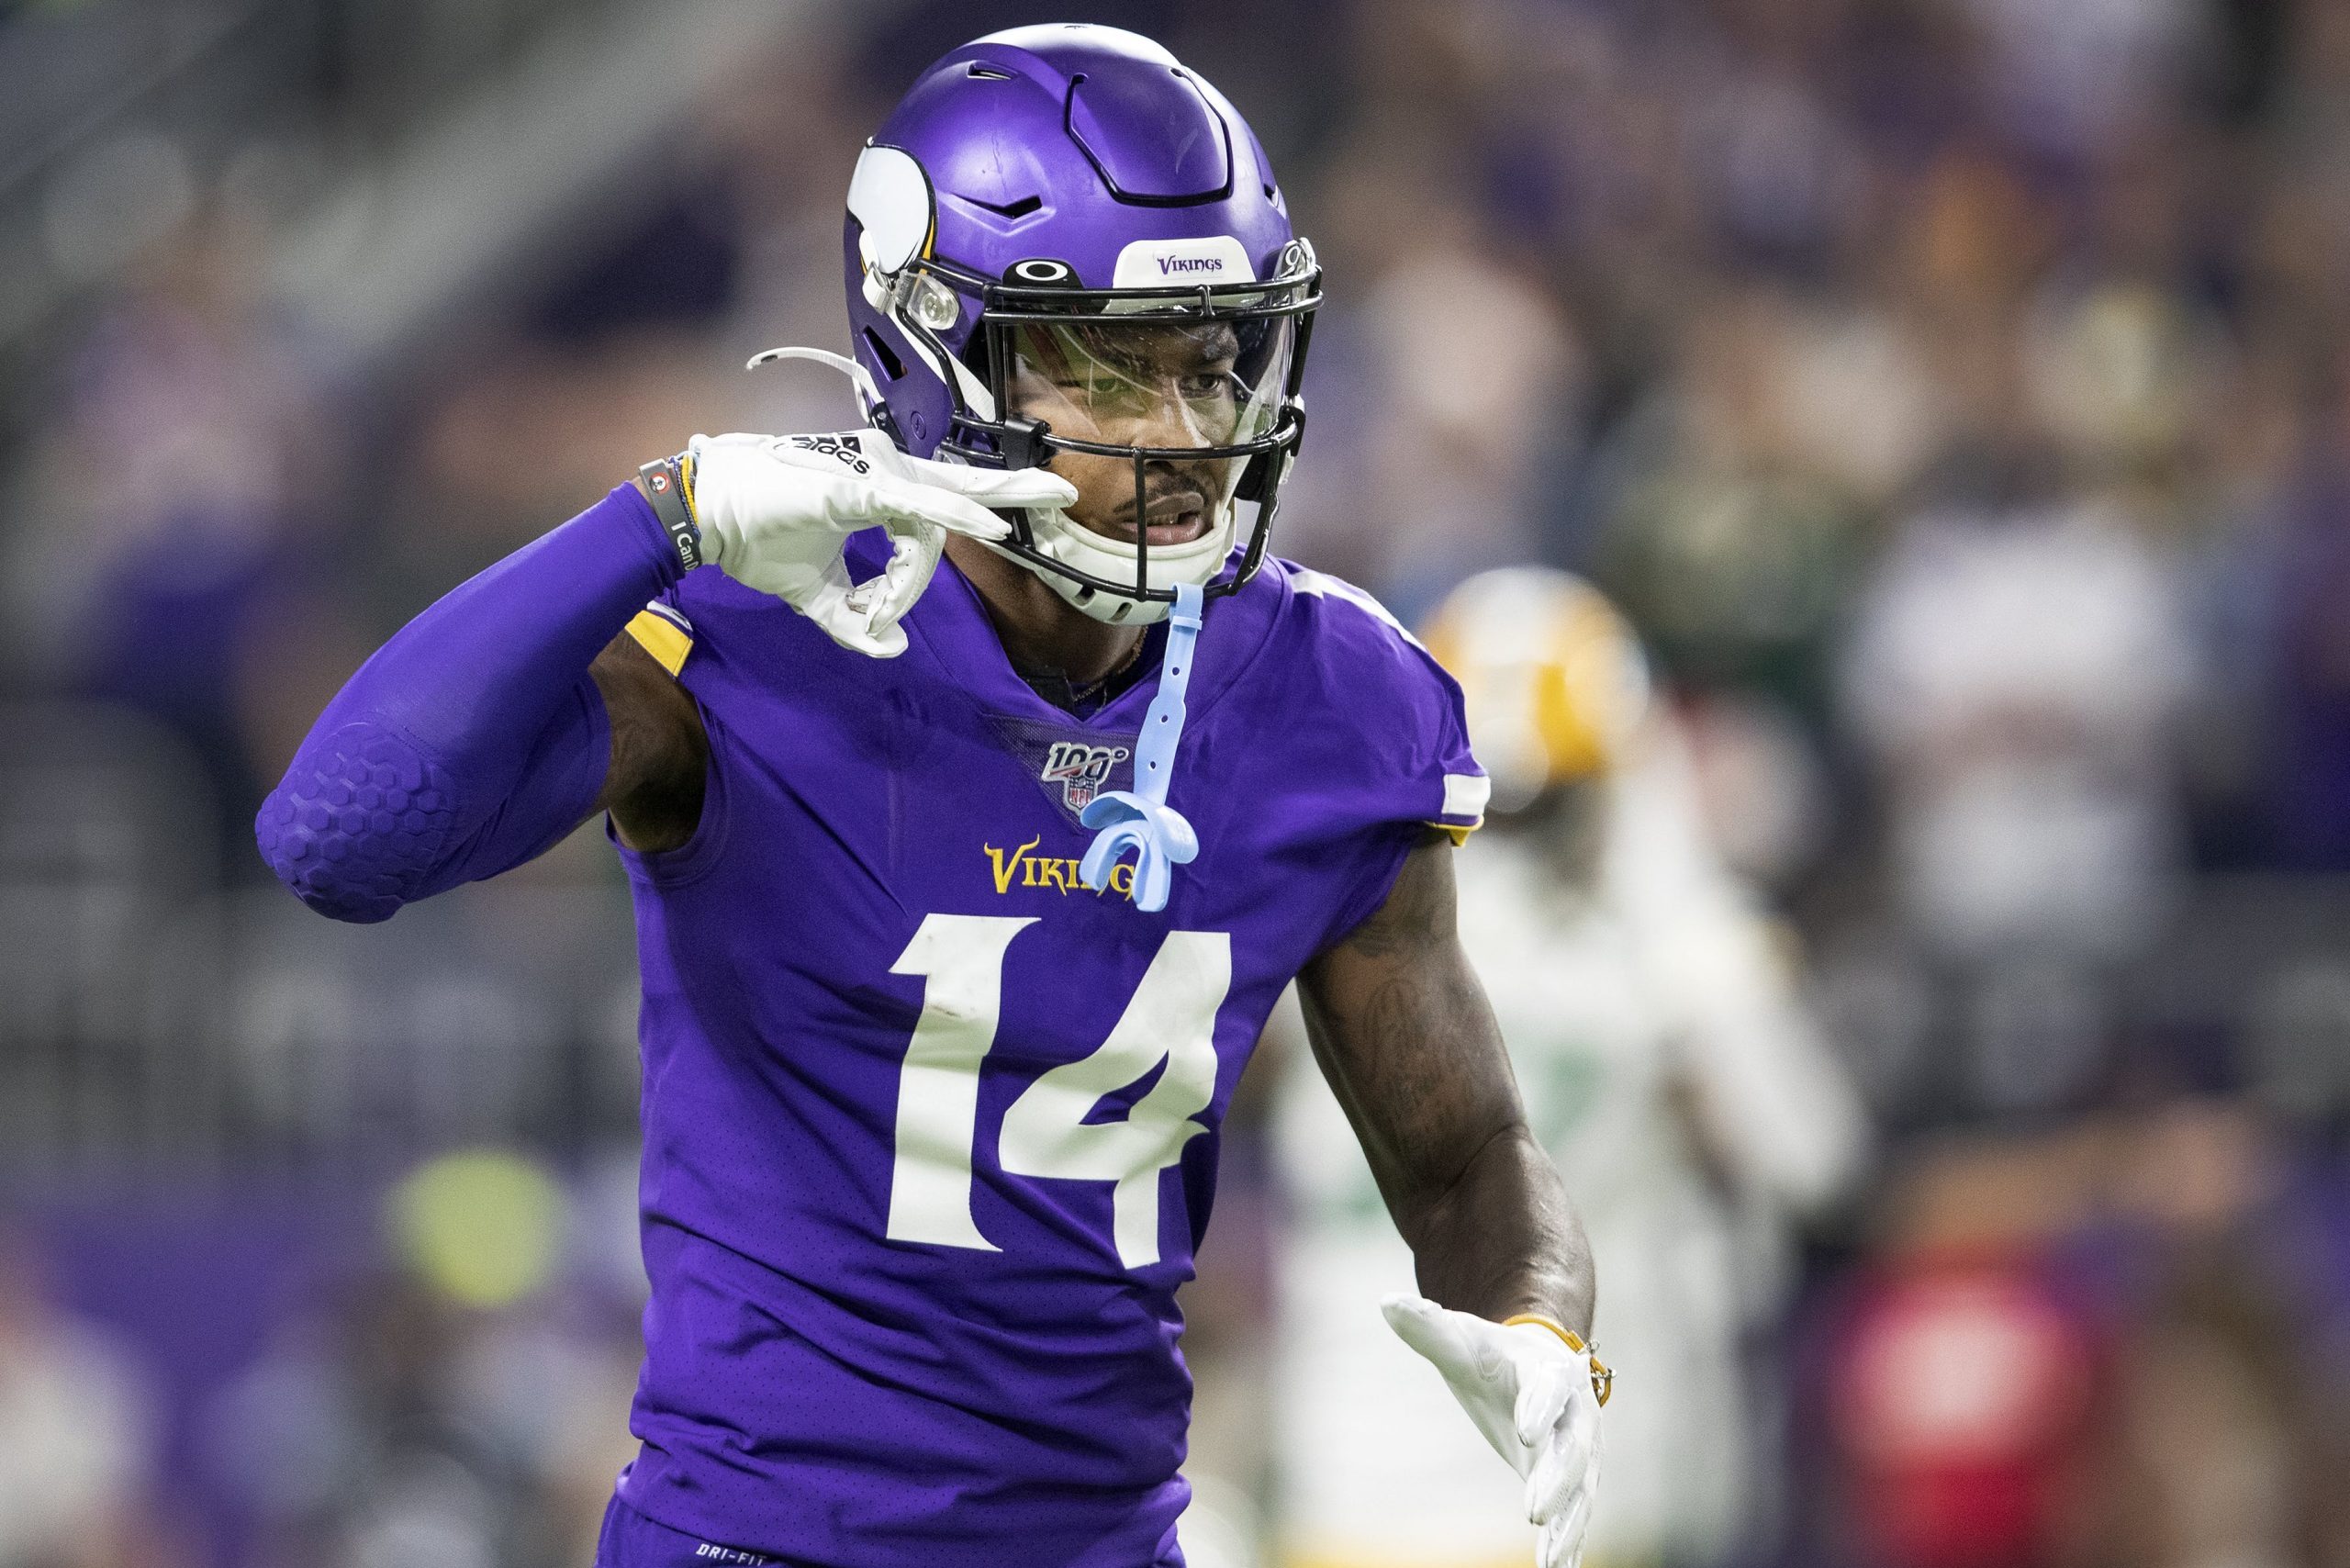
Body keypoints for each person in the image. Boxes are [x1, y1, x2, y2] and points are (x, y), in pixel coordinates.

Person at [257, 27, 1607, 1568]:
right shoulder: (757, 630)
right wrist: (657, 517)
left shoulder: (1337, 694)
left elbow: (1466, 1150)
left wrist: (1541, 1322)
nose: (1182, 435)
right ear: (934, 348)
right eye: (1109, 365)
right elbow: (335, 837)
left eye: (1214, 360)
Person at [1271, 569, 1865, 1568]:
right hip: (1564, 1512)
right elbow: (1820, 1160)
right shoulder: (1657, 958)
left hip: (1340, 1495)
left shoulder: (1326, 925)